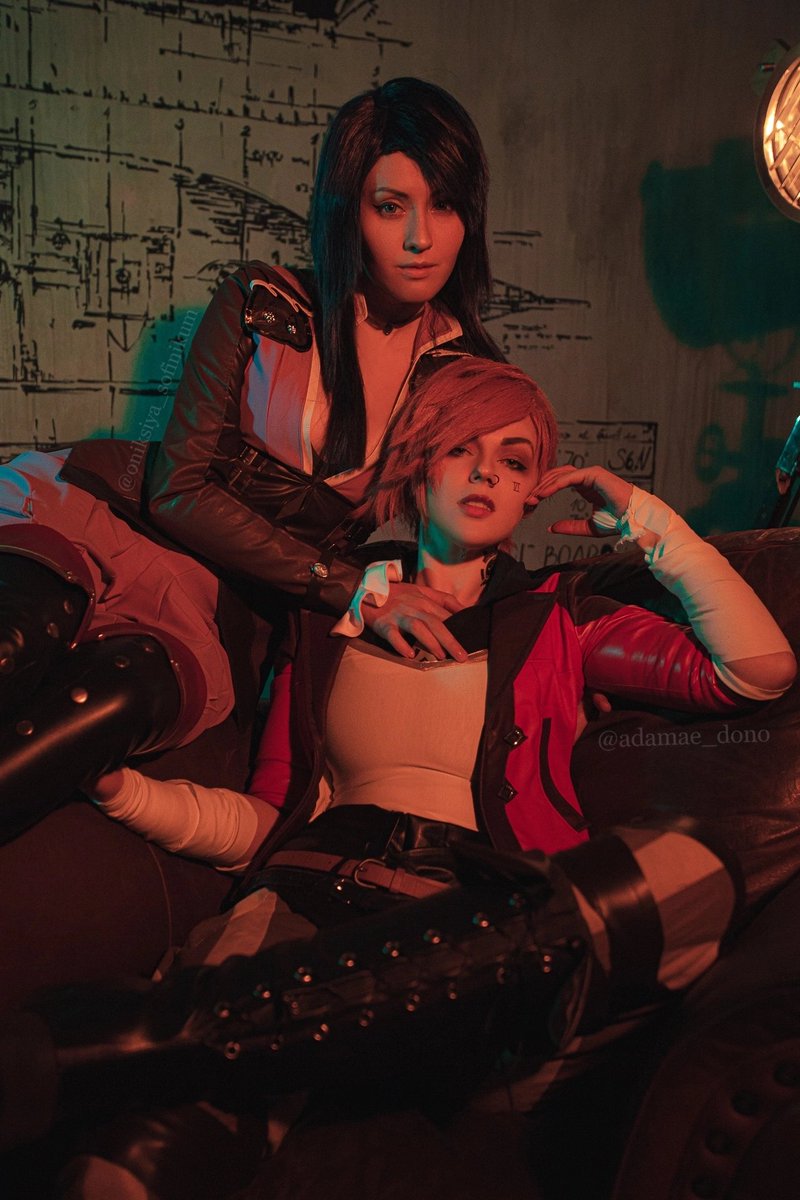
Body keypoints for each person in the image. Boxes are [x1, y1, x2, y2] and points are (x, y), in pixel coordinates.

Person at [9, 358, 791, 1199]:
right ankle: (214, 1043)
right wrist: (134, 796)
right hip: (303, 905)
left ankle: (143, 1036)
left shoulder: (559, 618)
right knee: (129, 1165)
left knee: (692, 870)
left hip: (477, 918)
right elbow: (269, 820)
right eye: (462, 448)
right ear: (419, 467)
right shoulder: (326, 621)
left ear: (533, 493)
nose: (487, 472)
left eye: (515, 460)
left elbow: (758, 671)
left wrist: (642, 517)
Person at [0, 77, 503, 843]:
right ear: (347, 211)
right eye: (390, 206)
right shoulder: (263, 300)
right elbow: (177, 490)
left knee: (95, 714)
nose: (420, 238)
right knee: (11, 649)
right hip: (103, 519)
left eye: (445, 205)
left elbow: (486, 522)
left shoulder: (463, 373)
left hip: (217, 612)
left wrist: (577, 620)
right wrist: (352, 589)